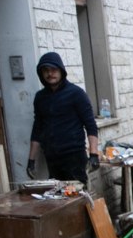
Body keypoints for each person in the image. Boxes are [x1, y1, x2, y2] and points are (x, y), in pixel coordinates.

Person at [27, 52, 99, 185]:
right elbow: (37, 129)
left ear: (61, 71)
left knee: (77, 197)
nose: (50, 74)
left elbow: (90, 125)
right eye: (46, 70)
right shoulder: (40, 98)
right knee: (57, 197)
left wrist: (94, 154)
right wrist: (31, 160)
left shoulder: (76, 94)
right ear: (41, 74)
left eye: (54, 70)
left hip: (74, 157)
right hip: (52, 158)